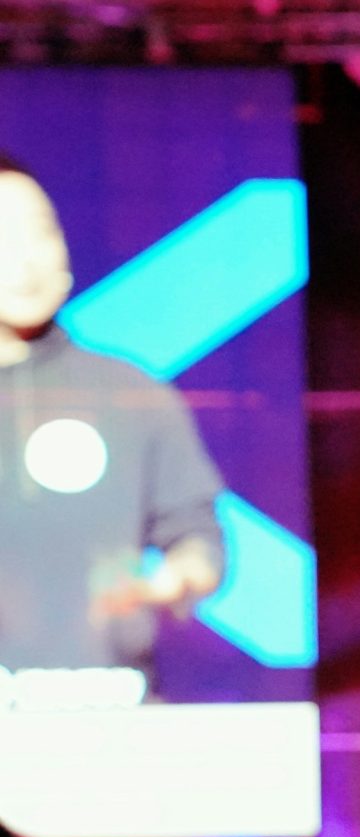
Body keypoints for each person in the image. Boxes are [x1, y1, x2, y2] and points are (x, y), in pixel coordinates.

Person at [1, 152, 226, 687]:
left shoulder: (130, 393)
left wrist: (175, 579)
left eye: (40, 234)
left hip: (108, 713)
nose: (27, 261)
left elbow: (197, 540)